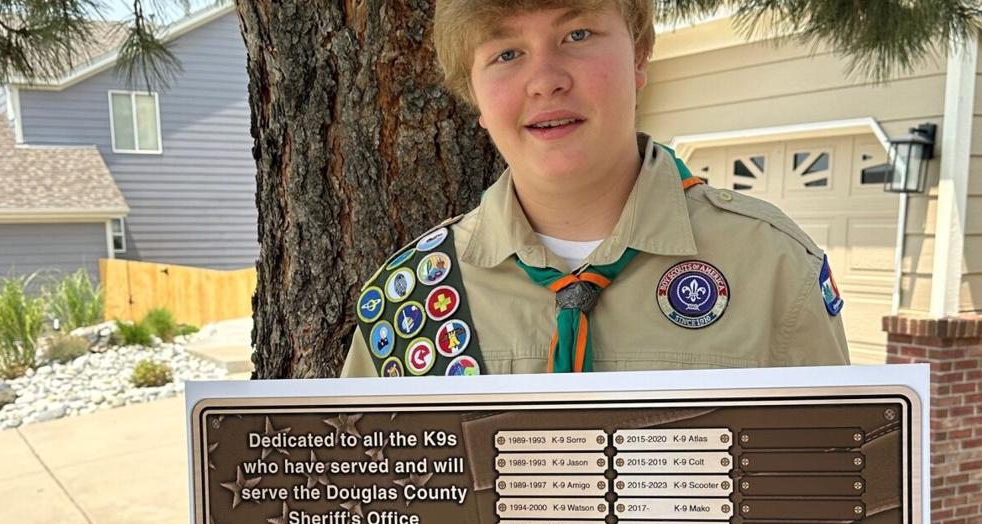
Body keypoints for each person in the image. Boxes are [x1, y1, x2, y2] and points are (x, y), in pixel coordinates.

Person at [341, 0, 849, 378]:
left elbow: (834, 501)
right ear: (473, 93)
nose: (545, 80)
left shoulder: (775, 271)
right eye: (507, 53)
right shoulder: (406, 299)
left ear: (640, 57)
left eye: (577, 34)